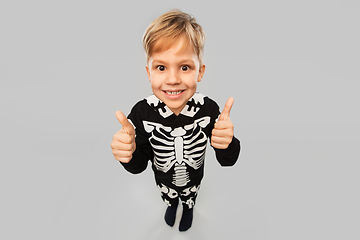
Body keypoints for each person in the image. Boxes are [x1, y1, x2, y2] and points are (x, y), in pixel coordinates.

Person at [110, 9, 240, 232]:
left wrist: (228, 143)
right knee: (168, 196)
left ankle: (188, 208)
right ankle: (172, 205)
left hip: (194, 179)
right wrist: (128, 155)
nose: (172, 79)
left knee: (191, 196)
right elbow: (139, 165)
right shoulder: (141, 113)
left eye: (185, 67)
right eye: (161, 67)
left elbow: (227, 160)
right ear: (149, 73)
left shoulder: (208, 109)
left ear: (200, 72)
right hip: (163, 181)